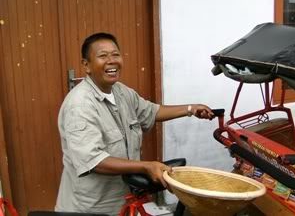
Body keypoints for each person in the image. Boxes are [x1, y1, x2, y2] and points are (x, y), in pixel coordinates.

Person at [55, 32, 215, 215]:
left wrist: (190, 108)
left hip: (123, 200)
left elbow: (151, 112)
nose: (111, 61)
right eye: (102, 56)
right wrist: (146, 166)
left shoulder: (122, 92)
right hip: (91, 207)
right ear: (87, 65)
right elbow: (94, 161)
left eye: (115, 54)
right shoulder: (80, 105)